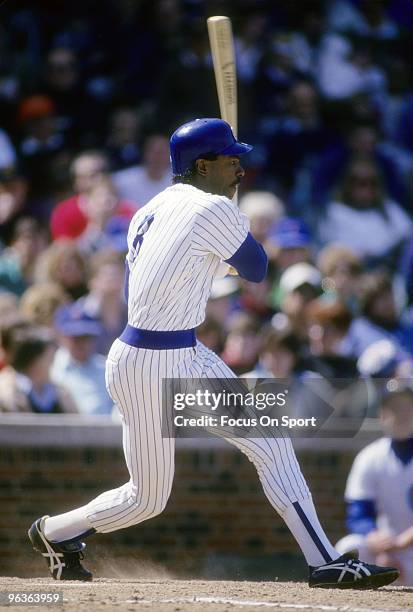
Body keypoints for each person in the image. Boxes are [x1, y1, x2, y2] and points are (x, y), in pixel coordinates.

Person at [28, 117, 398, 589]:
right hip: (155, 362)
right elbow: (258, 269)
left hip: (168, 349)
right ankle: (55, 531)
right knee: (147, 499)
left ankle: (325, 560)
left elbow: (186, 268)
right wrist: (234, 221)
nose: (240, 169)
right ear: (202, 165)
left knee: (270, 441)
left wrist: (228, 224)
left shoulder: (152, 207)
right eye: (230, 160)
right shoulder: (211, 210)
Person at [336, 382, 413, 585]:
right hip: (386, 552)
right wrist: (374, 538)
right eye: (393, 408)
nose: (401, 414)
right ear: (381, 415)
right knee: (348, 547)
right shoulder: (370, 456)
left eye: (407, 407)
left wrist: (403, 542)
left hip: (407, 549)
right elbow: (358, 513)